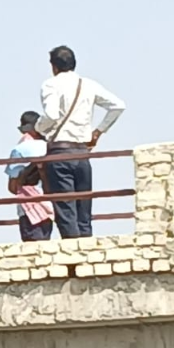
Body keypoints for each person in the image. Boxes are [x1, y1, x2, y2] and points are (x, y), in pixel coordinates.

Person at [35, 46, 126, 238]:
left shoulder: (51, 85)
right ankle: (87, 249)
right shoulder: (89, 85)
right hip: (82, 153)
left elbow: (51, 115)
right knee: (84, 210)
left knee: (66, 210)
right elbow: (118, 105)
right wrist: (98, 131)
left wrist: (39, 127)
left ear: (54, 66)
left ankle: (73, 253)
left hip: (59, 152)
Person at [4, 112, 55, 242]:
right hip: (49, 206)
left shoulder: (19, 149)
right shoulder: (51, 147)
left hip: (28, 209)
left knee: (31, 245)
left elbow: (12, 187)